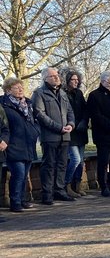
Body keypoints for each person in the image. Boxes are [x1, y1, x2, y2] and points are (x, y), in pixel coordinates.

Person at [31, 67, 75, 204]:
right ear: (45, 79)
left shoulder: (62, 92)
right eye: (53, 76)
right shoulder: (39, 93)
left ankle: (60, 190)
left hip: (65, 136)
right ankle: (47, 194)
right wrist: (58, 128)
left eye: (57, 75)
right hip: (50, 136)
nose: (56, 77)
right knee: (49, 165)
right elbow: (40, 114)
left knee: (62, 164)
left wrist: (71, 124)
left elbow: (70, 111)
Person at [1, 78, 39, 212]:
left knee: (24, 174)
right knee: (18, 173)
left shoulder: (27, 103)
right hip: (13, 145)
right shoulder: (4, 105)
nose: (21, 90)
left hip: (28, 144)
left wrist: (36, 131)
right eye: (17, 88)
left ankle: (22, 199)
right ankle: (15, 201)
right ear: (8, 90)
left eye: (21, 87)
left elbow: (34, 120)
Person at [60, 68, 89, 197]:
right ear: (67, 80)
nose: (76, 82)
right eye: (73, 79)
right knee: (75, 159)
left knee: (81, 160)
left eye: (77, 79)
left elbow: (85, 109)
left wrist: (84, 121)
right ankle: (67, 184)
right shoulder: (62, 93)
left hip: (80, 131)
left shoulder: (79, 93)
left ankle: (77, 185)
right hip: (70, 131)